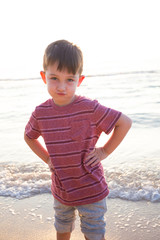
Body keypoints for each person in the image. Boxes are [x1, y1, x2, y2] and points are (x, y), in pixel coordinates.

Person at [24, 39, 132, 240]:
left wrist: (104, 151)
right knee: (62, 227)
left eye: (70, 80)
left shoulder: (89, 108)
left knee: (93, 233)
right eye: (54, 78)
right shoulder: (41, 113)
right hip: (61, 190)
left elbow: (124, 123)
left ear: (79, 80)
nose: (62, 87)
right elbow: (29, 136)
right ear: (43, 76)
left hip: (91, 189)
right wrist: (47, 158)